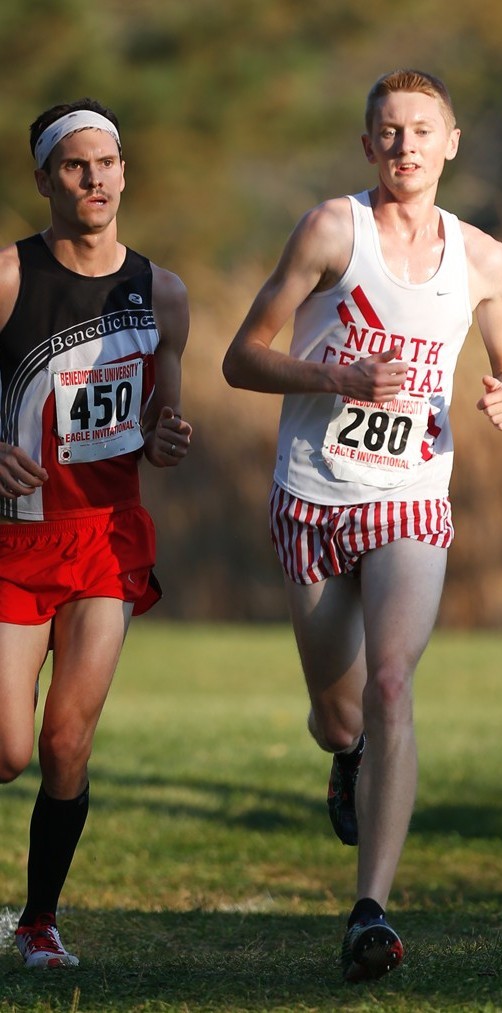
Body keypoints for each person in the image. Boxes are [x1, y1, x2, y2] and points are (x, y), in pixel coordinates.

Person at [223, 68, 502, 981]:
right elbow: (243, 358)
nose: (405, 146)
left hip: (411, 493)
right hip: (313, 492)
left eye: (420, 130)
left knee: (394, 679)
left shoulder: (482, 258)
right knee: (340, 711)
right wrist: (335, 378)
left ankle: (371, 909)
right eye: (388, 132)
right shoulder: (332, 229)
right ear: (369, 145)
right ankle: (345, 750)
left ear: (451, 141)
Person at [0, 98, 193, 969]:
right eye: (75, 165)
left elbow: (162, 420)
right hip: (13, 541)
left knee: (66, 742)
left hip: (104, 540)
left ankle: (39, 920)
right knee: (6, 752)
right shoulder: (8, 276)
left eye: (106, 162)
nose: (94, 179)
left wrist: (164, 436)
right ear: (44, 178)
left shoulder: (164, 292)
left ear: (124, 171)